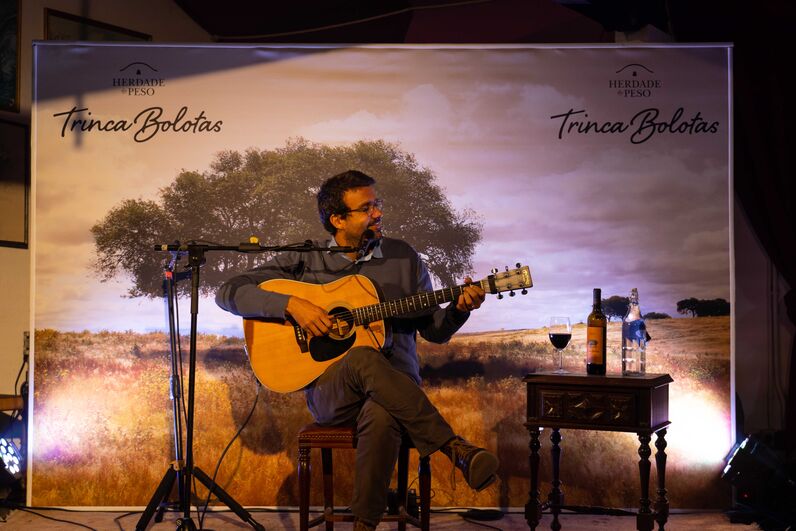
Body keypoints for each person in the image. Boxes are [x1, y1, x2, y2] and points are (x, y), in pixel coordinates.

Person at [216, 170, 499, 530]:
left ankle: (364, 525)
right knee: (363, 356)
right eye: (366, 208)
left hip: (396, 392)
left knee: (382, 414)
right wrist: (291, 305)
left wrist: (459, 308)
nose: (378, 213)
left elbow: (434, 332)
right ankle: (454, 448)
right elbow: (228, 291)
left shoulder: (404, 257)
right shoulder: (307, 260)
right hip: (332, 394)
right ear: (337, 219)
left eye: (377, 204)